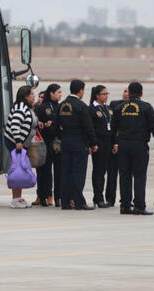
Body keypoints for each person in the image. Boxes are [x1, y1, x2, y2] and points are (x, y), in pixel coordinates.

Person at [111, 82, 154, 215]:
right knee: (139, 176)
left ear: (129, 92)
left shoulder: (119, 107)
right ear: (141, 93)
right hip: (139, 145)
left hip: (123, 145)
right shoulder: (146, 107)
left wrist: (115, 143)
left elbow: (113, 128)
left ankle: (125, 206)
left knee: (124, 176)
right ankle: (139, 206)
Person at [58, 79, 98, 210]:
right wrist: (93, 142)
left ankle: (65, 202)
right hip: (79, 143)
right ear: (80, 91)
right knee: (78, 173)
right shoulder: (81, 106)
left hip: (66, 142)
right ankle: (79, 202)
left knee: (66, 172)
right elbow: (88, 127)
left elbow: (56, 125)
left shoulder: (62, 105)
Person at [4, 85, 38, 209]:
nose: (34, 96)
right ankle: (15, 199)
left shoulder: (26, 107)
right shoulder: (20, 108)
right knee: (18, 170)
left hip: (20, 143)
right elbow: (15, 125)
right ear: (25, 96)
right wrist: (18, 141)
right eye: (32, 95)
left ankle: (18, 197)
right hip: (15, 142)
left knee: (21, 169)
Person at [34, 84, 63, 207]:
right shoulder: (42, 107)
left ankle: (58, 196)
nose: (60, 94)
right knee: (44, 171)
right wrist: (41, 124)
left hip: (58, 143)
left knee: (59, 171)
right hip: (45, 143)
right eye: (58, 92)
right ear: (51, 93)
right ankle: (42, 195)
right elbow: (35, 124)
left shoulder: (61, 107)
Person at [89, 85, 113, 208]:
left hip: (108, 142)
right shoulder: (92, 109)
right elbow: (91, 128)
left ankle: (104, 196)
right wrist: (92, 143)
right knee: (98, 171)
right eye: (104, 94)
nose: (106, 96)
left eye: (107, 94)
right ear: (97, 95)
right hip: (99, 143)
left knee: (105, 170)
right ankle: (98, 197)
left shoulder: (108, 108)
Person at [107, 87, 129, 206]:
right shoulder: (115, 104)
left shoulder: (136, 107)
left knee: (126, 174)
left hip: (127, 143)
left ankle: (125, 199)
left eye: (128, 92)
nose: (126, 94)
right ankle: (110, 199)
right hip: (115, 143)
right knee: (112, 173)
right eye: (125, 91)